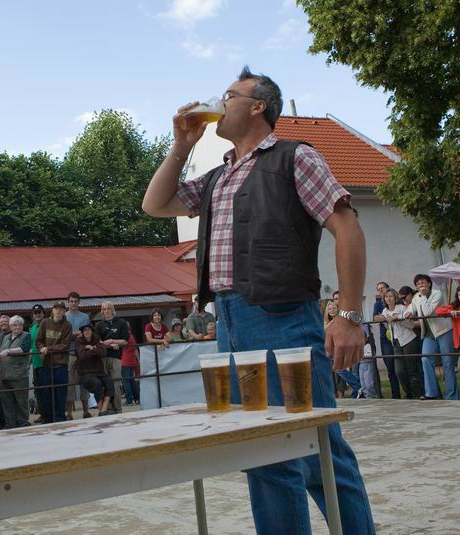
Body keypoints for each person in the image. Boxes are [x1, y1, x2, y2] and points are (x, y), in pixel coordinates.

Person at [142, 66, 374, 533]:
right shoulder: (216, 177)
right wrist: (181, 146)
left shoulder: (294, 157)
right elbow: (155, 204)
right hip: (230, 323)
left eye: (230, 95)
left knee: (317, 449)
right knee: (261, 452)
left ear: (258, 106)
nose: (219, 102)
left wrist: (349, 315)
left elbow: (347, 226)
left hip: (284, 320)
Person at [405, 274, 457, 400]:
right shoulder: (416, 297)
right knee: (425, 359)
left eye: (422, 282)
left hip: (443, 331)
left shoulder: (436, 294)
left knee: (447, 362)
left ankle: (451, 396)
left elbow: (428, 312)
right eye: (418, 284)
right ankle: (431, 393)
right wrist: (408, 313)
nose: (420, 285)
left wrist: (423, 296)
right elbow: (411, 309)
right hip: (428, 334)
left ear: (429, 283)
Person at [35, 302, 73, 423]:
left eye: (61, 309)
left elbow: (65, 345)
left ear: (64, 311)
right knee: (46, 393)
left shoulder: (67, 325)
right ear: (52, 310)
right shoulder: (45, 322)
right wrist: (41, 348)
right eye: (56, 309)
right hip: (46, 364)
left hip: (61, 364)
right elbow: (38, 340)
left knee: (60, 393)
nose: (59, 311)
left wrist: (48, 348)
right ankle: (47, 419)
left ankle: (60, 418)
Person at [383, 288, 423, 399]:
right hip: (396, 342)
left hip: (408, 339)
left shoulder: (401, 307)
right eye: (386, 297)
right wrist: (381, 318)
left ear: (395, 298)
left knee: (412, 369)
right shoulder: (385, 311)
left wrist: (398, 317)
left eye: (391, 296)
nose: (388, 298)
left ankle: (417, 394)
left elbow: (408, 319)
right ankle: (408, 393)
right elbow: (386, 325)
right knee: (399, 371)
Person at [0, 316, 33, 428]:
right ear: (10, 326)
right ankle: (10, 424)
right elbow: (1, 351)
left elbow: (23, 349)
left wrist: (7, 351)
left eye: (20, 325)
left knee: (21, 402)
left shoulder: (26, 336)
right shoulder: (6, 337)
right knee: (7, 403)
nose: (17, 327)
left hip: (19, 376)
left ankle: (23, 423)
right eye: (15, 325)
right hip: (4, 375)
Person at [95, 301, 128, 414]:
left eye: (108, 309)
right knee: (105, 384)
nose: (106, 311)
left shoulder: (121, 323)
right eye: (104, 309)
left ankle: (118, 408)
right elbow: (97, 342)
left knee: (116, 383)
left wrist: (113, 340)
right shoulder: (99, 325)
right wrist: (109, 344)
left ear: (112, 310)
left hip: (116, 358)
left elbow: (125, 341)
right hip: (103, 358)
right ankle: (108, 409)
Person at [75, 324, 115, 416]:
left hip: (99, 371)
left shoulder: (97, 339)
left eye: (89, 329)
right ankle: (101, 410)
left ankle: (104, 409)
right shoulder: (79, 341)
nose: (87, 331)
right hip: (85, 373)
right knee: (97, 383)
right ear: (82, 332)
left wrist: (90, 349)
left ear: (92, 331)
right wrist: (93, 349)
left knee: (109, 382)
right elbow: (82, 356)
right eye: (85, 330)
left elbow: (103, 352)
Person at [325, 301, 361, 398]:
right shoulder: (330, 321)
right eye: (329, 309)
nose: (332, 310)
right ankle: (358, 389)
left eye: (334, 308)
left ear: (338, 309)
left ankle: (358, 387)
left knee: (340, 369)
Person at [65, 292, 93, 420]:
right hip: (69, 354)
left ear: (79, 302)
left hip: (83, 354)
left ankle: (86, 411)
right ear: (68, 302)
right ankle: (69, 413)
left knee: (85, 382)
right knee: (70, 384)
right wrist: (76, 334)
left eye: (75, 301)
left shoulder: (85, 317)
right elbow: (64, 337)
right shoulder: (64, 317)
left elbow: (89, 333)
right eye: (71, 301)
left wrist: (81, 335)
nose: (73, 303)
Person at [371, 281, 401, 399]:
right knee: (390, 368)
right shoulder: (378, 304)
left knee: (402, 368)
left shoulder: (397, 302)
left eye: (382, 288)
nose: (381, 291)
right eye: (379, 289)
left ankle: (410, 392)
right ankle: (396, 395)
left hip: (399, 336)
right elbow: (375, 317)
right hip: (385, 338)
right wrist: (383, 317)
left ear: (388, 288)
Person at [29, 305, 47, 423]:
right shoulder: (33, 327)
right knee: (38, 390)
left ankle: (48, 414)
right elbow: (31, 345)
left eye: (39, 312)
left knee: (46, 390)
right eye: (35, 312)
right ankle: (42, 414)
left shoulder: (47, 325)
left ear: (43, 313)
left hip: (45, 363)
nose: (37, 314)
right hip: (35, 363)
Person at [121, 331, 141, 406]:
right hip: (131, 360)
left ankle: (129, 400)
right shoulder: (131, 336)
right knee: (132, 381)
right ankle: (137, 399)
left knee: (126, 381)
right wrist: (138, 359)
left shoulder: (124, 336)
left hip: (125, 361)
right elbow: (135, 349)